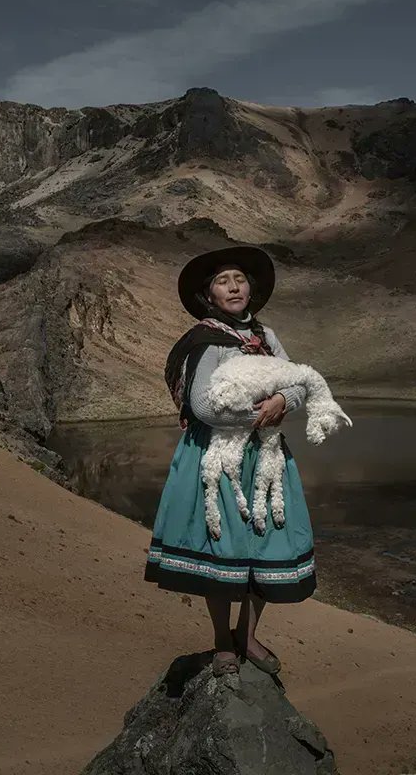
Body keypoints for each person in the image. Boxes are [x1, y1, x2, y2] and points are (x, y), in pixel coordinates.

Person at [145, 244, 317, 677]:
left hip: (264, 456)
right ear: (209, 295)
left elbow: (297, 381)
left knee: (265, 540)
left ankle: (248, 634)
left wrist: (282, 397)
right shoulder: (206, 342)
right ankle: (223, 640)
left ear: (251, 288)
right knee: (221, 549)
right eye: (223, 281)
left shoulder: (267, 338)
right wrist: (257, 415)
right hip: (217, 460)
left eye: (239, 278)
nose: (234, 286)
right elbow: (202, 404)